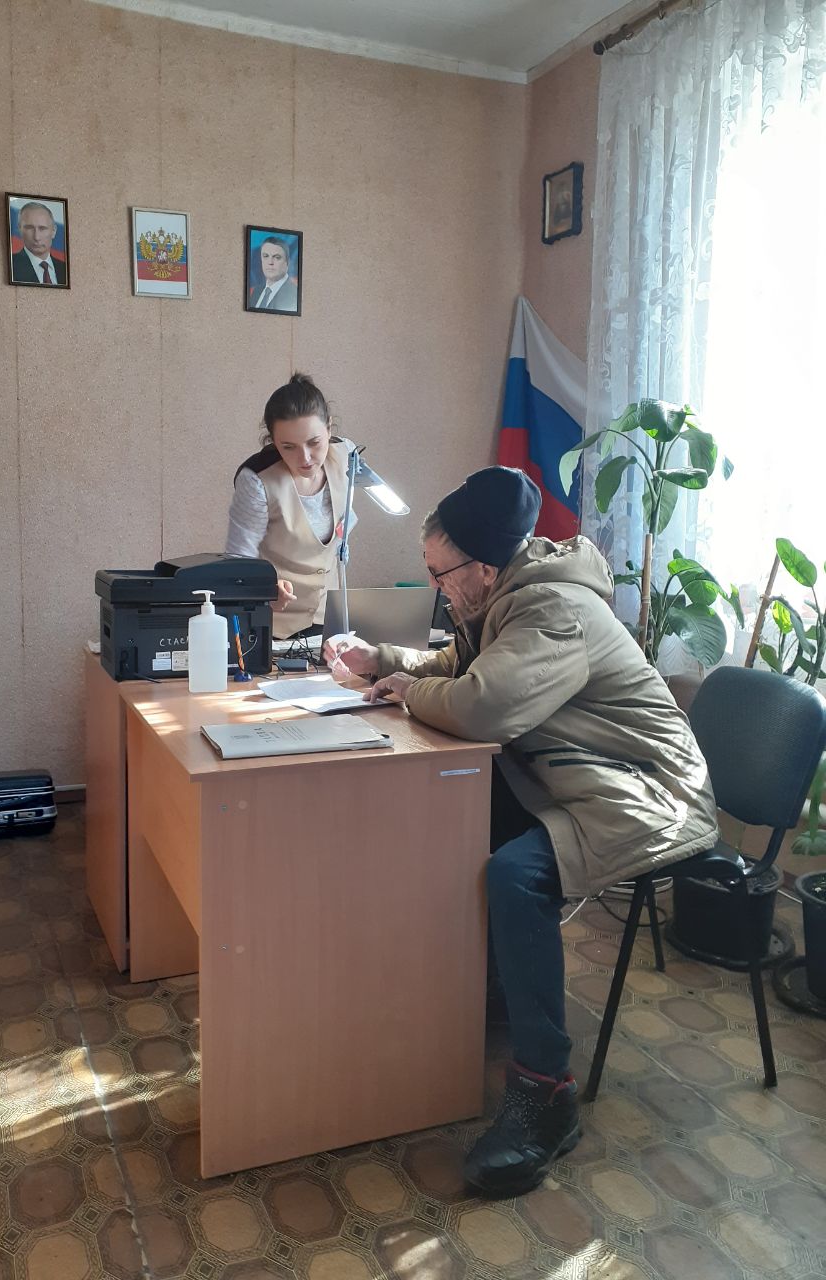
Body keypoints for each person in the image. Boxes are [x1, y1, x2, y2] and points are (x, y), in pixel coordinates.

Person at [326, 466, 719, 1198]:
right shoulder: (504, 596)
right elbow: (459, 668)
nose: (437, 588)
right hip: (576, 779)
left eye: (440, 574)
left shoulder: (551, 609)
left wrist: (411, 691)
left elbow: (484, 707)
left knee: (515, 872)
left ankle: (546, 1095)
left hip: (645, 792)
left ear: (481, 567)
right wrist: (383, 661)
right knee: (452, 819)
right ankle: (490, 991)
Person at [225, 373, 355, 640]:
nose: (305, 458)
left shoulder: (346, 457)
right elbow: (238, 563)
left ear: (329, 428)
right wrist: (264, 589)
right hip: (273, 626)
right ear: (273, 441)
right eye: (288, 447)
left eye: (314, 442)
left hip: (328, 618)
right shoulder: (257, 480)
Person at [11, 202, 66, 286]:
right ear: (20, 230)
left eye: (42, 228)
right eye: (29, 228)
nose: (36, 237)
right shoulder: (11, 265)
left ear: (54, 231)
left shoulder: (65, 269)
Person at [250, 237, 298, 311]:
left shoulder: (294, 294)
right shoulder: (256, 291)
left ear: (287, 262)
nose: (270, 262)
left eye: (277, 257)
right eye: (265, 256)